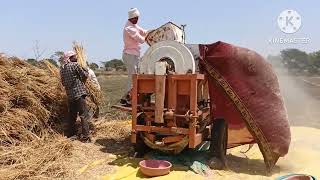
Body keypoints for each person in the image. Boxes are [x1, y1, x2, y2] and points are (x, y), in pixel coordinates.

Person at [60, 50, 91, 142]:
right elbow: (85, 75)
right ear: (70, 58)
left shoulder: (62, 69)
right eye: (74, 56)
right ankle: (85, 137)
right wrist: (85, 69)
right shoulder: (75, 65)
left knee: (72, 115)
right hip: (79, 94)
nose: (76, 57)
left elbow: (63, 83)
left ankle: (71, 134)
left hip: (70, 95)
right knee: (83, 115)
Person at [121, 7, 148, 105]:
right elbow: (140, 39)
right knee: (133, 77)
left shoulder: (134, 25)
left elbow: (144, 31)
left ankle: (128, 97)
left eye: (138, 18)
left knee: (135, 76)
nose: (137, 20)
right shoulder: (129, 28)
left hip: (134, 55)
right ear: (131, 18)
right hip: (129, 55)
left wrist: (153, 31)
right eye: (135, 18)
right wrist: (148, 37)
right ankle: (127, 98)